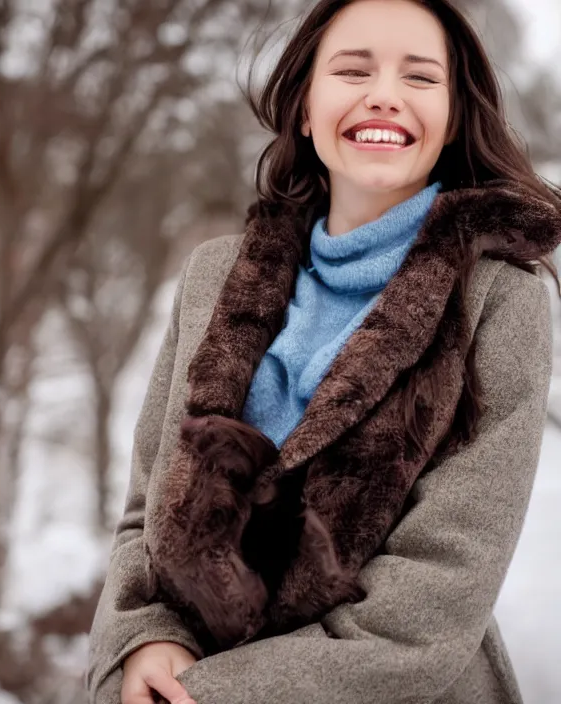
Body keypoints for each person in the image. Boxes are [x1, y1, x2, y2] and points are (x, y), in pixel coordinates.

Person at [86, 0, 561, 702]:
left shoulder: (499, 301)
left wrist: (218, 694)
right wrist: (144, 635)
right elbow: (145, 512)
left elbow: (438, 591)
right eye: (353, 69)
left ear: (455, 119)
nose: (385, 95)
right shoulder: (214, 276)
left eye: (421, 77)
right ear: (305, 108)